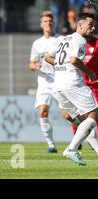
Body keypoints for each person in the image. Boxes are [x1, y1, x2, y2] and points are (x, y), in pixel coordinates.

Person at [44, 13, 98, 166]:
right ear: (80, 25)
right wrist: (89, 72)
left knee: (84, 121)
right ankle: (71, 149)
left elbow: (47, 57)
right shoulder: (80, 40)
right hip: (73, 83)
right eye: (90, 25)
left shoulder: (64, 39)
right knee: (94, 116)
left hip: (58, 86)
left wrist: (60, 65)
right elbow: (74, 60)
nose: (93, 27)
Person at [71, 28, 98, 148]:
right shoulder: (75, 42)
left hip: (94, 85)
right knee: (76, 114)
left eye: (93, 25)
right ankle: (77, 142)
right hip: (79, 84)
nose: (93, 28)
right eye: (90, 25)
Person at [29, 11, 62, 153]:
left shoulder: (61, 39)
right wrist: (34, 66)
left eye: (50, 21)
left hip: (59, 79)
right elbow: (32, 63)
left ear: (53, 23)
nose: (48, 23)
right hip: (44, 81)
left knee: (67, 114)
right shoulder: (37, 44)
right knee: (42, 112)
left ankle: (80, 137)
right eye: (45, 21)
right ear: (41, 24)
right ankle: (51, 145)